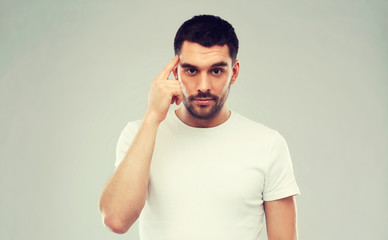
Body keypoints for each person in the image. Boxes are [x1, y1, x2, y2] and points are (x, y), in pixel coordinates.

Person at [99, 14, 300, 240]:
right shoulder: (140, 133)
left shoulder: (268, 144)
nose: (203, 86)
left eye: (216, 71)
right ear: (175, 72)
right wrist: (152, 116)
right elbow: (116, 219)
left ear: (233, 72)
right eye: (191, 71)